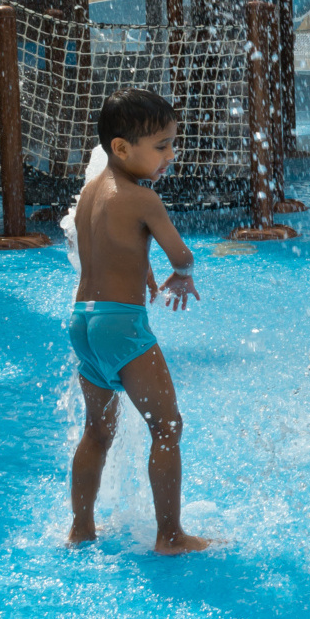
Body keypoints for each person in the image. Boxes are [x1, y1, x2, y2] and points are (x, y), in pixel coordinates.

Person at [66, 88, 210, 554]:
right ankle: (170, 536)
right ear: (122, 148)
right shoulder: (144, 199)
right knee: (167, 427)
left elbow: (103, 244)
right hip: (121, 324)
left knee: (97, 431)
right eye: (162, 146)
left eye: (172, 143)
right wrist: (181, 275)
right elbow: (181, 254)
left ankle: (81, 529)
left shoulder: (91, 192)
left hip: (83, 323)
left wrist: (140, 266)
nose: (171, 154)